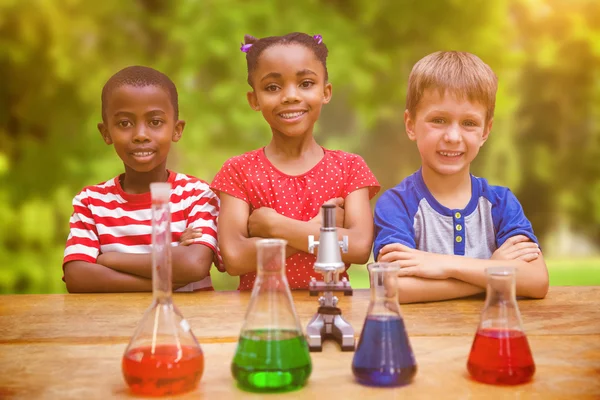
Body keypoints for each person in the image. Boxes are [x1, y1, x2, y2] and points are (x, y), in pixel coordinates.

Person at [373, 51, 549, 303]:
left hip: (492, 338)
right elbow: (391, 288)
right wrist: (493, 272)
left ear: (486, 131)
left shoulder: (501, 203)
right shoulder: (396, 205)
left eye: (468, 123)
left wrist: (444, 265)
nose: (453, 137)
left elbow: (536, 280)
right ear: (410, 124)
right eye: (439, 120)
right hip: (424, 341)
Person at [211, 32, 380, 290]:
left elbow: (357, 248)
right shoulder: (238, 171)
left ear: (326, 92)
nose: (290, 96)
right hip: (261, 317)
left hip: (333, 313)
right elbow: (235, 258)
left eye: (305, 83)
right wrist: (321, 229)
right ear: (254, 99)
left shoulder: (350, 168)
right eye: (272, 87)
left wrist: (274, 225)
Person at [63, 66, 221, 293]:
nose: (140, 135)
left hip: (189, 324)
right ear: (106, 133)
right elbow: (77, 277)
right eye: (124, 123)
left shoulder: (196, 194)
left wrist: (109, 259)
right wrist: (165, 278)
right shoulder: (91, 202)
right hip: (112, 327)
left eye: (155, 122)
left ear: (177, 130)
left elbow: (193, 265)